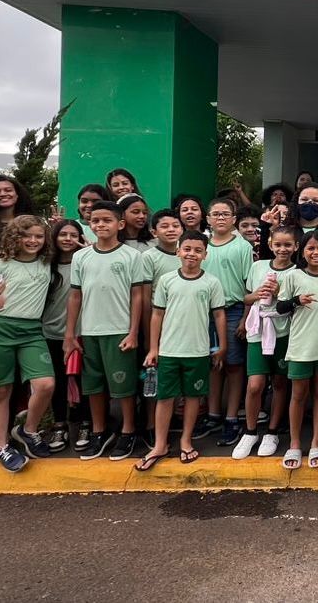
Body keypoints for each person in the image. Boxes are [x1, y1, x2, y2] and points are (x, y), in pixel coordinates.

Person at [0, 215, 57, 472]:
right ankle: (2, 445)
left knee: (45, 384)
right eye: (26, 235)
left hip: (31, 331)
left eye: (38, 236)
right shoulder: (0, 264)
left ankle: (28, 430)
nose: (32, 241)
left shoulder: (45, 261)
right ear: (14, 237)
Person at [63, 200, 147, 462]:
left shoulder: (132, 256)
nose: (100, 224)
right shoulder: (81, 256)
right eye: (95, 220)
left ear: (120, 224)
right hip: (89, 331)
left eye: (107, 220)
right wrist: (69, 335)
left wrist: (133, 332)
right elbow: (75, 296)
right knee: (94, 385)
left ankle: (128, 430)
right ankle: (99, 431)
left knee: (123, 386)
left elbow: (137, 297)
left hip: (120, 330)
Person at [137, 234, 224, 470]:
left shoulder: (212, 283)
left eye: (198, 250)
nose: (192, 254)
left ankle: (186, 439)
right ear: (178, 251)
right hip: (169, 350)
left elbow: (218, 315)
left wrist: (222, 346)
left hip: (197, 351)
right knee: (165, 398)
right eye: (187, 249)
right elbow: (157, 314)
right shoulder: (166, 280)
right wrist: (154, 348)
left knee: (193, 397)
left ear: (205, 255)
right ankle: (160, 444)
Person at [234, 225, 298, 459]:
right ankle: (250, 432)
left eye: (287, 245)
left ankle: (272, 431)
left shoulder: (297, 272)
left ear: (295, 247)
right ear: (270, 245)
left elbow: (293, 305)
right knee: (255, 384)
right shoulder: (258, 267)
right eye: (278, 244)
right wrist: (258, 294)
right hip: (257, 331)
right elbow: (247, 297)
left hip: (283, 332)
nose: (282, 249)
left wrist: (281, 292)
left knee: (280, 383)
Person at [277, 231, 318, 470]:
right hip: (301, 346)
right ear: (301, 251)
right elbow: (280, 307)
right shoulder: (294, 276)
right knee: (298, 395)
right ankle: (294, 443)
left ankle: (316, 441)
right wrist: (296, 301)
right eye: (311, 248)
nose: (316, 253)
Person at [198, 198, 253, 445]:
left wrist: (244, 317)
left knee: (233, 365)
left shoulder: (242, 247)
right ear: (207, 218)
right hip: (202, 312)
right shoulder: (199, 245)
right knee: (212, 364)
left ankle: (232, 417)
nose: (220, 218)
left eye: (225, 214)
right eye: (215, 214)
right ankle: (213, 414)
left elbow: (249, 285)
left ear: (234, 219)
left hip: (232, 310)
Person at [43, 218, 87, 452]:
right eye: (63, 234)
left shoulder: (86, 262)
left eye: (73, 235)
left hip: (82, 331)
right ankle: (60, 422)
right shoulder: (45, 266)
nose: (68, 239)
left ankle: (84, 422)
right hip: (51, 331)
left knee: (83, 379)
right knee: (57, 380)